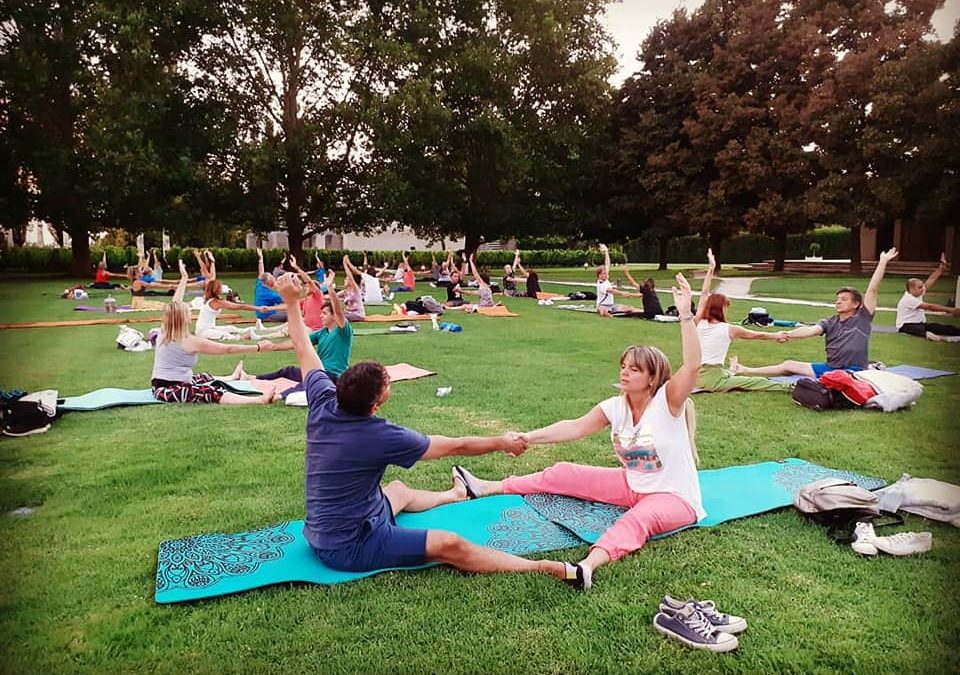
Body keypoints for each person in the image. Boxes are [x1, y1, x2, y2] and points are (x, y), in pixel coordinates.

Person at [271, 272, 577, 583]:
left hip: (327, 528)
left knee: (399, 490)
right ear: (375, 406)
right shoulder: (378, 436)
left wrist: (291, 303)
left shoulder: (324, 400)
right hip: (349, 546)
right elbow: (454, 446)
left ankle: (455, 494)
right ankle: (541, 567)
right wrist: (502, 442)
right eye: (387, 385)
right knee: (449, 543)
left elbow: (303, 348)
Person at [453, 273, 703, 590]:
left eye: (634, 369)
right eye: (623, 366)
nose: (625, 372)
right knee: (564, 472)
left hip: (676, 498)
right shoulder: (617, 405)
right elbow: (574, 428)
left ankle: (585, 567)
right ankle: (486, 487)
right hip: (632, 485)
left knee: (636, 520)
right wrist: (529, 437)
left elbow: (693, 365)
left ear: (652, 379)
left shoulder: (668, 402)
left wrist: (685, 314)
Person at [730, 248, 899, 379]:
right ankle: (745, 369)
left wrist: (883, 261)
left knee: (838, 378)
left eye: (844, 299)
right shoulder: (830, 322)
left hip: (853, 372)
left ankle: (870, 369)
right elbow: (809, 331)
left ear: (856, 304)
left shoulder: (862, 318)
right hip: (830, 369)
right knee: (789, 364)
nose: (838, 301)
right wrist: (786, 334)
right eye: (838, 298)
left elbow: (873, 290)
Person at [150, 260, 278, 405]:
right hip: (166, 389)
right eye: (188, 313)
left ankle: (232, 377)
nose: (191, 315)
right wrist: (259, 347)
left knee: (202, 378)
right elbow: (226, 349)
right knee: (209, 391)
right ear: (183, 318)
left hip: (169, 382)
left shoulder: (165, 330)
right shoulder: (189, 341)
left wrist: (184, 278)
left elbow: (175, 303)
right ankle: (259, 400)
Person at [238, 267, 354, 398]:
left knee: (308, 383)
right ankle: (250, 377)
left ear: (334, 316)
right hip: (319, 371)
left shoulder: (343, 331)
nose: (321, 316)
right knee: (288, 371)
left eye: (325, 313)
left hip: (333, 376)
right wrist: (274, 347)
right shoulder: (322, 332)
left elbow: (338, 311)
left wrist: (329, 287)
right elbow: (298, 342)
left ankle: (277, 397)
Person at [692, 249, 791, 392]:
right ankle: (789, 387)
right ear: (722, 308)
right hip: (712, 379)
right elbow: (757, 335)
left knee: (728, 374)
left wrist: (711, 268)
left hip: (694, 375)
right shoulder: (729, 329)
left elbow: (704, 294)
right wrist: (777, 335)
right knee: (755, 382)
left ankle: (732, 370)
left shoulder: (699, 322)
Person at [895, 253, 960, 341]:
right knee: (919, 330)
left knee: (942, 328)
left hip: (921, 324)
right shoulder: (908, 299)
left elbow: (931, 280)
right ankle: (936, 337)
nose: (923, 289)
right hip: (905, 326)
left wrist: (941, 268)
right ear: (911, 289)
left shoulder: (917, 293)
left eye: (922, 286)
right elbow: (930, 307)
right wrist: (952, 310)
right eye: (920, 287)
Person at [194, 279, 270, 341]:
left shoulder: (209, 299)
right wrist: (258, 308)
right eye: (220, 287)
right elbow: (240, 307)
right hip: (203, 331)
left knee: (231, 328)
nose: (222, 288)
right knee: (226, 335)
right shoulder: (215, 302)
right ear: (217, 289)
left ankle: (254, 329)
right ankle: (246, 336)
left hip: (209, 328)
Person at [595, 244, 639, 317]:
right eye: (604, 273)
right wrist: (622, 293)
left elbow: (607, 263)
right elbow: (612, 291)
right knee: (602, 309)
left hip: (611, 305)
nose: (606, 274)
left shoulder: (605, 279)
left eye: (606, 273)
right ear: (599, 275)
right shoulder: (601, 284)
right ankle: (605, 313)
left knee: (629, 308)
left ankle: (643, 311)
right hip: (602, 305)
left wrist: (606, 251)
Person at [254, 248, 288, 323]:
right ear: (270, 283)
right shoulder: (270, 294)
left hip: (260, 314)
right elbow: (287, 301)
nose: (274, 278)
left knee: (285, 309)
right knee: (290, 313)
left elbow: (261, 272)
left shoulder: (260, 285)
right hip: (267, 315)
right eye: (273, 278)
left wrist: (261, 259)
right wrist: (280, 287)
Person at [340, 254, 367, 321]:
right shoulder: (345, 291)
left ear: (351, 282)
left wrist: (345, 264)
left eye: (346, 279)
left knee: (338, 316)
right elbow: (333, 295)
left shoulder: (356, 290)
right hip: (350, 314)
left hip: (358, 315)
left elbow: (350, 276)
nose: (344, 280)